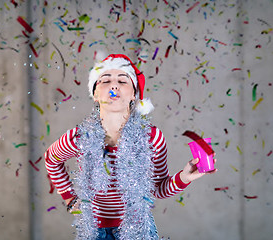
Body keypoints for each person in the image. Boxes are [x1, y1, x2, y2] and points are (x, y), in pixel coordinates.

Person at [45, 54, 217, 240]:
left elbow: (158, 189)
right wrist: (70, 198)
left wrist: (184, 177)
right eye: (105, 80)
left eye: (122, 80)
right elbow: (51, 159)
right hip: (93, 233)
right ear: (95, 94)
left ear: (134, 94)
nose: (114, 85)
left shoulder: (151, 138)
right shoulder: (79, 137)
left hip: (138, 230)